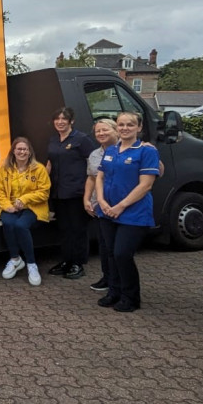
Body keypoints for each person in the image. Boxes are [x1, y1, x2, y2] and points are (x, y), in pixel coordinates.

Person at [95, 111, 160, 312]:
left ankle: (131, 297)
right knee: (111, 254)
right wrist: (101, 201)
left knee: (122, 253)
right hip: (106, 211)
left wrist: (121, 206)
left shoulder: (147, 151)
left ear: (139, 128)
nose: (125, 128)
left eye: (130, 125)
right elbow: (100, 177)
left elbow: (146, 185)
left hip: (133, 212)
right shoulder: (110, 150)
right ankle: (114, 292)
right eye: (121, 124)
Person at [46, 106, 96, 279]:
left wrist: (90, 192)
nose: (60, 122)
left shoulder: (82, 139)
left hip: (76, 192)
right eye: (57, 119)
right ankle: (67, 261)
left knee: (78, 229)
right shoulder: (53, 140)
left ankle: (78, 263)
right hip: (58, 192)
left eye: (64, 119)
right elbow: (50, 162)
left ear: (71, 121)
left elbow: (93, 162)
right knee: (64, 229)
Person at [0, 137, 51, 286]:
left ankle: (31, 264)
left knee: (21, 225)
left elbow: (44, 192)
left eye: (25, 149)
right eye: (19, 149)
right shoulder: (5, 169)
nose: (22, 152)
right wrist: (7, 206)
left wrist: (24, 199)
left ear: (29, 152)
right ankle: (15, 259)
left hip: (33, 207)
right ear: (13, 151)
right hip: (11, 207)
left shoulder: (39, 169)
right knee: (8, 223)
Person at [83, 118, 118, 292]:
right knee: (104, 245)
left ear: (116, 130)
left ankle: (118, 282)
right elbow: (91, 177)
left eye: (105, 130)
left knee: (116, 247)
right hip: (100, 206)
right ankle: (107, 277)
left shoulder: (129, 150)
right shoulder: (95, 154)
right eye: (98, 131)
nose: (101, 134)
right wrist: (87, 199)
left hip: (120, 206)